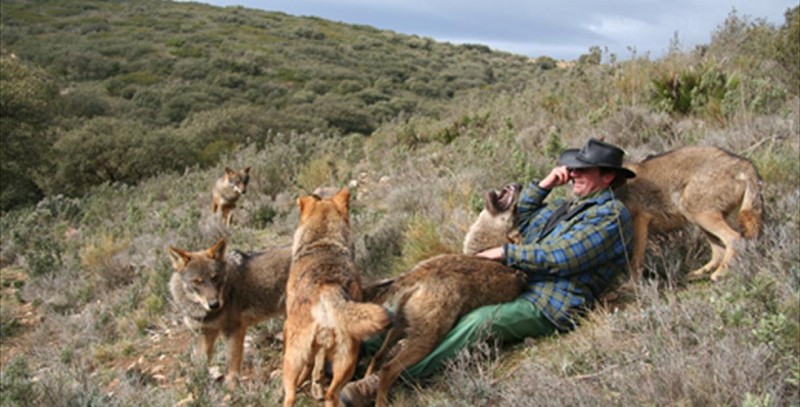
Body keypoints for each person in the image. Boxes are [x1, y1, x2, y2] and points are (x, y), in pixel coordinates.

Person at [341, 138, 636, 406]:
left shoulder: (608, 216)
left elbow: (564, 257)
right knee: (433, 300)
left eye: (582, 171)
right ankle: (357, 348)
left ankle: (377, 384)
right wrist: (544, 185)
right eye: (572, 169)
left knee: (476, 322)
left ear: (607, 176)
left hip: (549, 301)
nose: (573, 174)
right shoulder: (567, 205)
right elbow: (523, 219)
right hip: (512, 283)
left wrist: (507, 253)